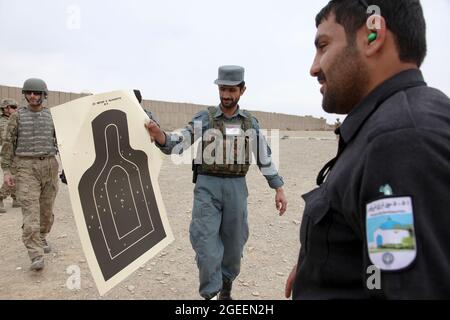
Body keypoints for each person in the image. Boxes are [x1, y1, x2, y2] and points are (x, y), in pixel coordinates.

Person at [285, 0, 450, 299]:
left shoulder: (400, 139)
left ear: (373, 35)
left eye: (323, 45)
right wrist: (322, 263)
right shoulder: (394, 122)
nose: (314, 67)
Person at [145, 65, 288, 300]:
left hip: (236, 189)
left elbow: (264, 157)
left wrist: (278, 188)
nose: (226, 95)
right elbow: (179, 141)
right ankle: (210, 294)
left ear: (242, 90)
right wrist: (160, 135)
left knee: (234, 247)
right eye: (222, 89)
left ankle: (226, 287)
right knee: (206, 247)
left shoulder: (249, 123)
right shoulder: (206, 118)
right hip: (207, 189)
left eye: (232, 90)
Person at [1, 78, 59, 271]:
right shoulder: (17, 116)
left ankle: (42, 237)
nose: (32, 96)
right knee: (30, 212)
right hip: (25, 167)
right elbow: (8, 143)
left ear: (44, 95)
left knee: (46, 210)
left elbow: (62, 142)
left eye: (36, 93)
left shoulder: (52, 116)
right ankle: (35, 254)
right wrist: (7, 170)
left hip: (49, 165)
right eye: (29, 93)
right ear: (25, 94)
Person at [0, 99, 20, 212]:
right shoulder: (2, 122)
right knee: (12, 176)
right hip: (7, 152)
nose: (15, 109)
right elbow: (5, 139)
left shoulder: (16, 119)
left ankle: (15, 198)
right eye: (13, 107)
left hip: (18, 152)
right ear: (6, 108)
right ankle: (0, 196)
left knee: (19, 175)